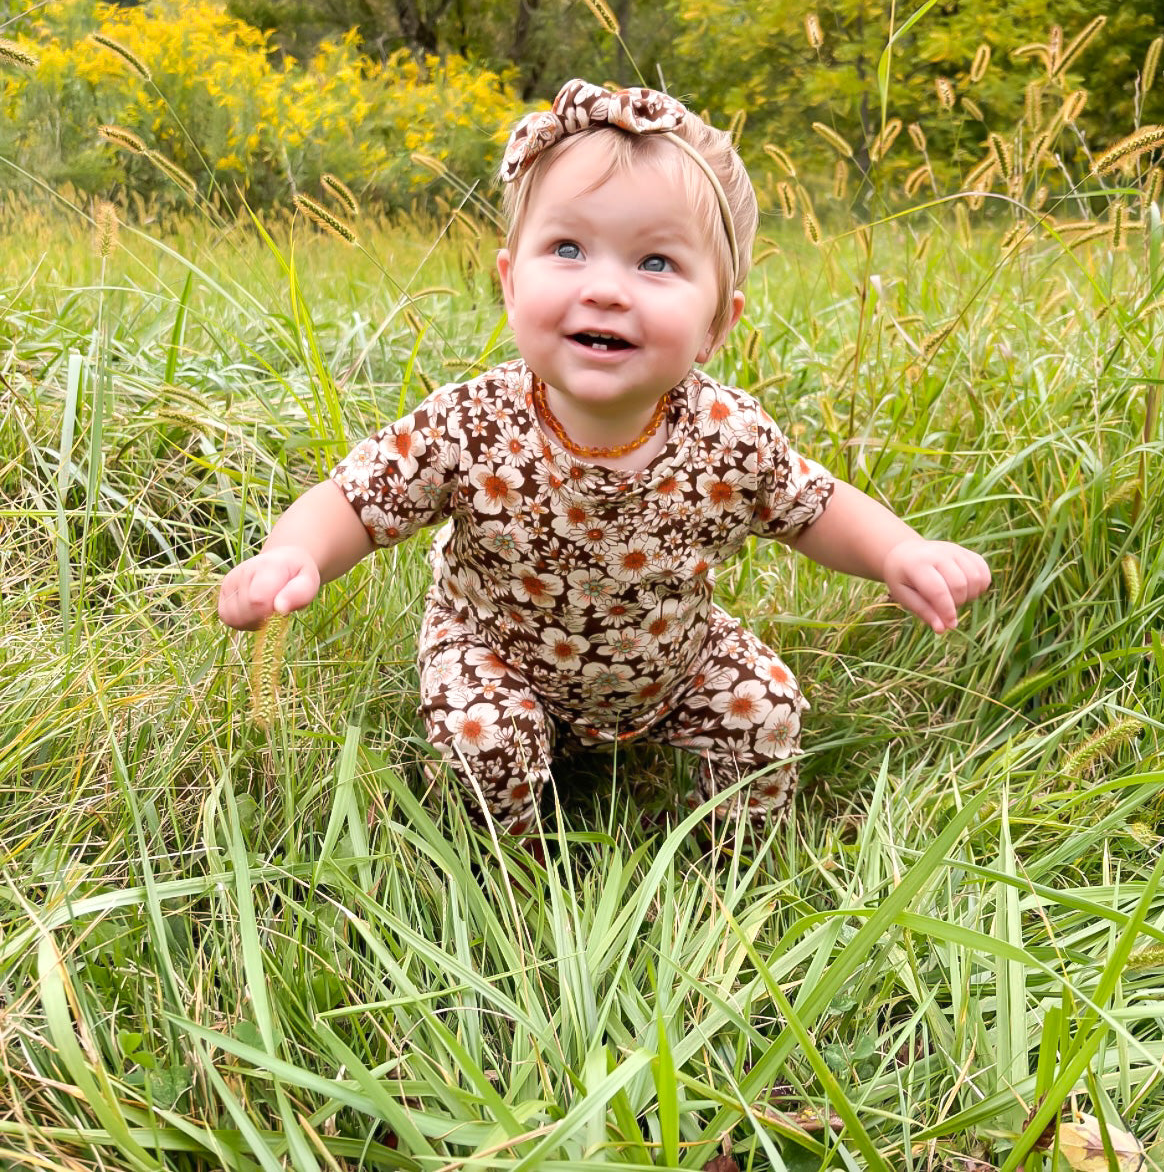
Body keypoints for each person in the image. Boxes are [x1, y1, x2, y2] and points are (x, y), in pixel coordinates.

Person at [218, 78, 990, 839]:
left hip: (670, 660)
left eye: (655, 263)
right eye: (567, 249)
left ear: (717, 323)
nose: (607, 290)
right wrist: (294, 555)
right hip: (501, 655)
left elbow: (814, 509)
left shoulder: (727, 434)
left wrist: (899, 550)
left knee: (764, 703)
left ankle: (722, 860)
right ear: (510, 282)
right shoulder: (469, 425)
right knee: (485, 736)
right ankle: (508, 870)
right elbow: (354, 501)